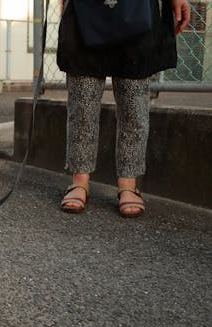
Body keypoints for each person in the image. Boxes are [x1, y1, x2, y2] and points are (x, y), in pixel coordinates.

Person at [56, 0, 190, 217]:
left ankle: (129, 184)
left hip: (138, 11)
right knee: (82, 103)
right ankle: (79, 181)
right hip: (84, 11)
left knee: (134, 105)